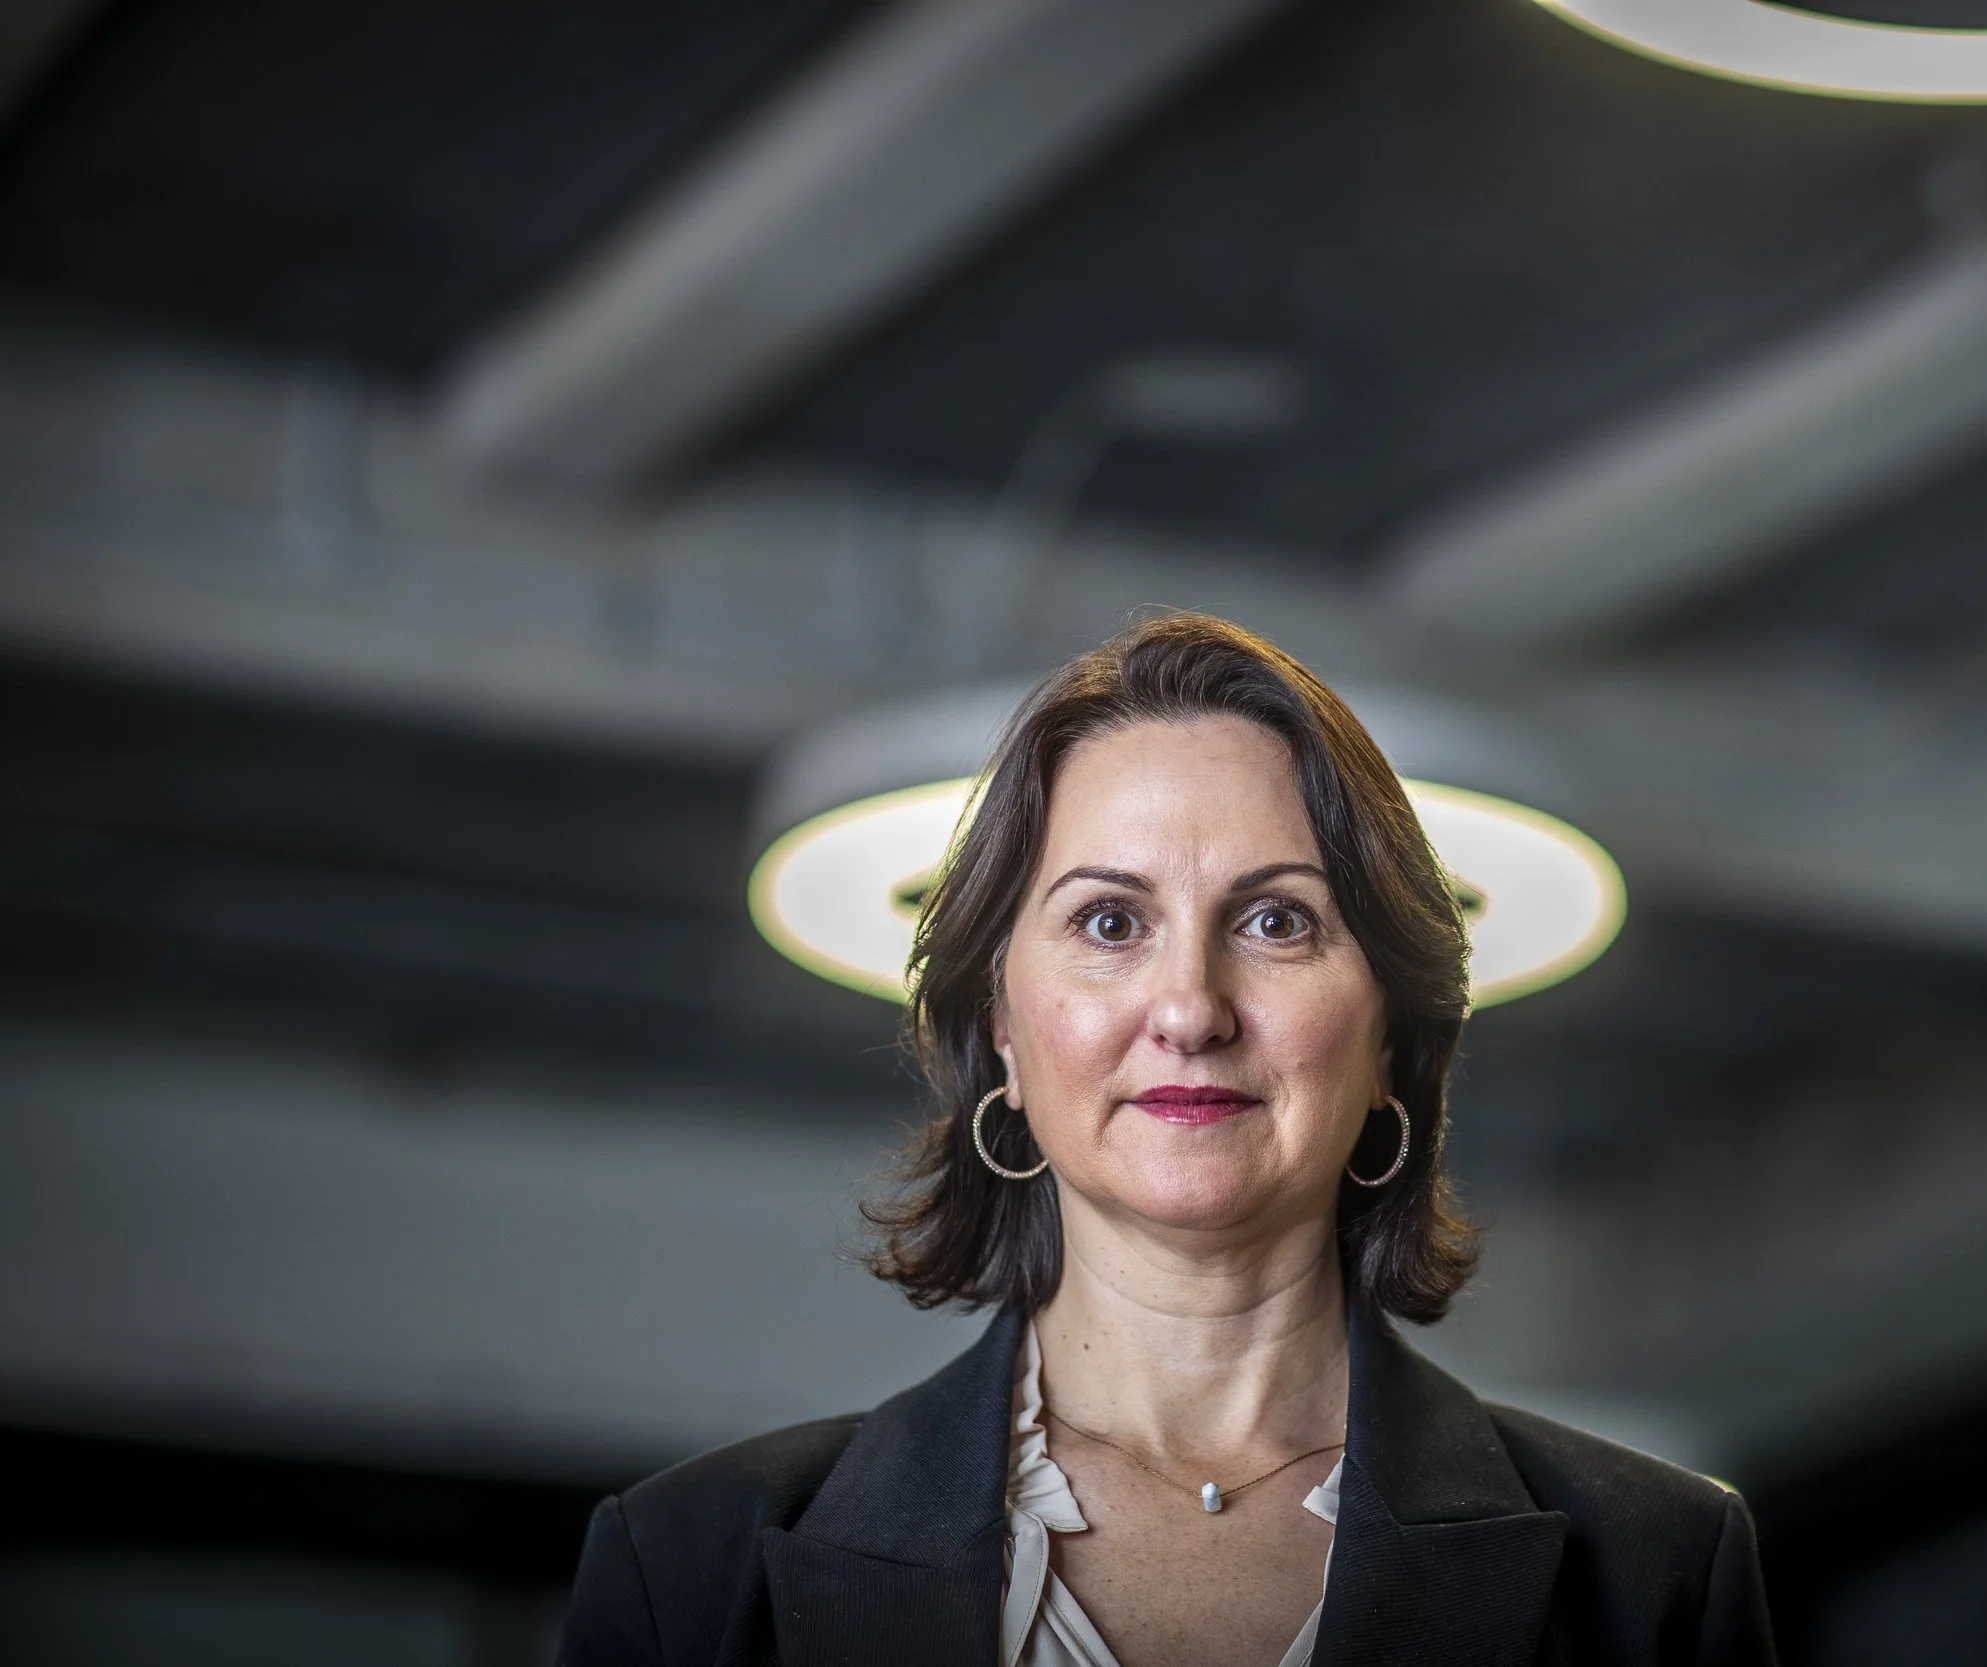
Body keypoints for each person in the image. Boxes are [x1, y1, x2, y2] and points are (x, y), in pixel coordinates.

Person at [557, 614, 1777, 1667]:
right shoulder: (689, 1566)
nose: (1190, 1007)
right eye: (1107, 919)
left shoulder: (1654, 1569)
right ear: (1006, 1034)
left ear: (1395, 1040)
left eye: (1274, 918)